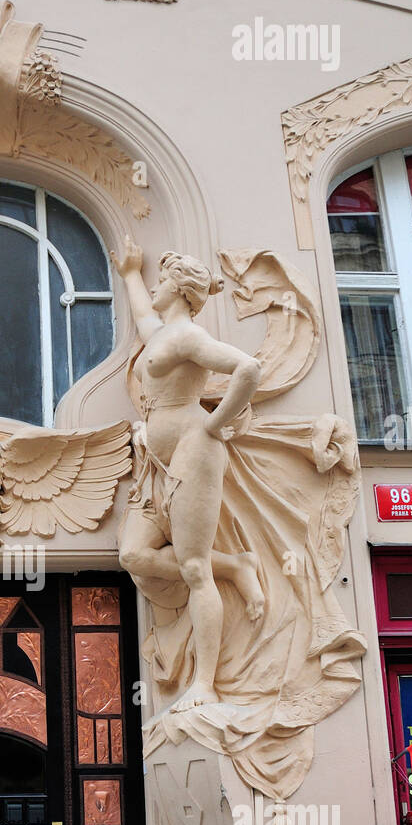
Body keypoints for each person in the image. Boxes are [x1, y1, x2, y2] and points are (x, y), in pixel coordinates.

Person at [112, 239, 264, 713]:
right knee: (133, 554)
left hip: (192, 452)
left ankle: (205, 685)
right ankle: (237, 565)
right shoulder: (160, 332)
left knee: (195, 568)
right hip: (157, 464)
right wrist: (131, 272)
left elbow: (248, 368)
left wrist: (215, 424)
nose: (154, 288)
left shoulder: (187, 337)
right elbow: (142, 314)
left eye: (160, 281)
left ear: (178, 289)